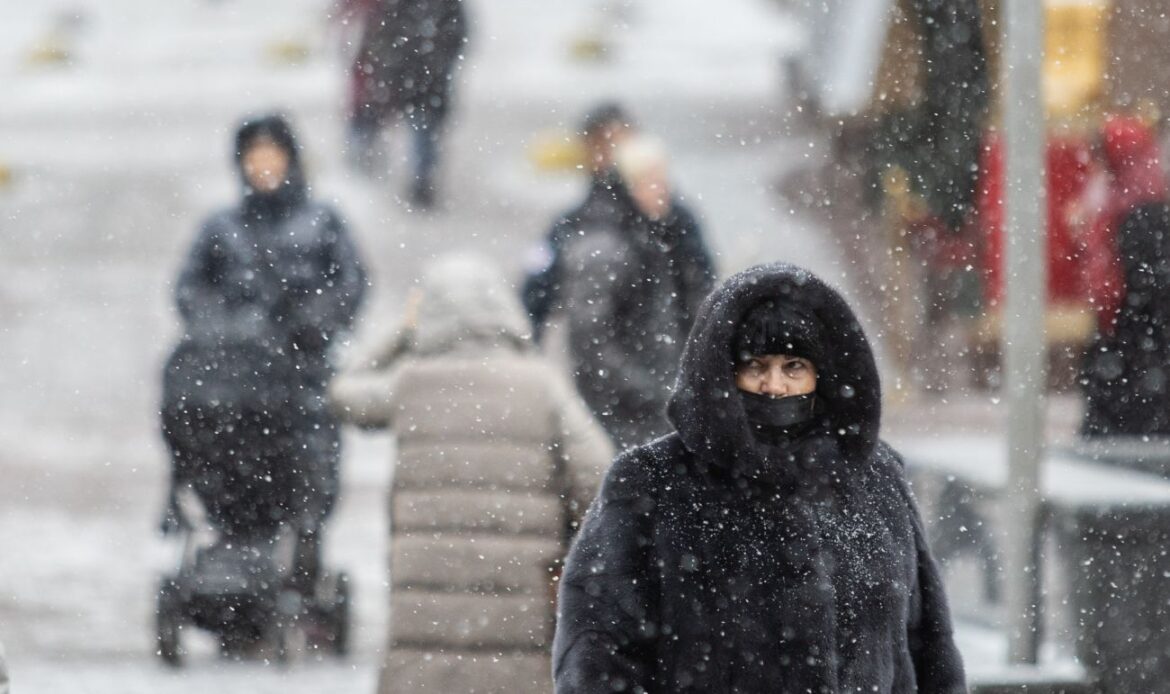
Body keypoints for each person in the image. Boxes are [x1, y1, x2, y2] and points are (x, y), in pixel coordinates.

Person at [553, 263, 966, 693]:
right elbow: (598, 650)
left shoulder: (876, 477)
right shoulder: (654, 483)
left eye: (793, 366)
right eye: (755, 366)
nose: (775, 385)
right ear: (724, 370)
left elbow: (928, 646)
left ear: (821, 374)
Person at [329, 254, 613, 693]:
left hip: (424, 622)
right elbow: (600, 483)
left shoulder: (410, 383)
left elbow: (344, 392)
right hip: (519, 611)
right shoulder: (541, 384)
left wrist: (403, 332)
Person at [161, 113, 367, 594]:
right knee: (212, 438)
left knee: (309, 454)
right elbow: (189, 289)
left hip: (301, 372)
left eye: (272, 155)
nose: (264, 166)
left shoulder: (323, 222)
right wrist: (228, 326)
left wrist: (313, 320)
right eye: (254, 157)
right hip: (235, 373)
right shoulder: (222, 227)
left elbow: (350, 283)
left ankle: (304, 542)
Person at [560, 135, 716, 449]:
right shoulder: (605, 246)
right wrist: (646, 388)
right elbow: (591, 340)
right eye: (651, 181)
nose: (663, 191)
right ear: (626, 184)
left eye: (663, 179)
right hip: (620, 409)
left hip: (653, 402)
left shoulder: (658, 230)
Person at [521, 102, 637, 339]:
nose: (610, 154)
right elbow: (535, 292)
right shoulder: (572, 220)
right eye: (600, 144)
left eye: (618, 143)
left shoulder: (666, 216)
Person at [343, 0, 468, 208]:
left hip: (428, 83)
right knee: (422, 131)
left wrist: (437, 61)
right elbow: (385, 36)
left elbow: (458, 34)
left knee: (426, 132)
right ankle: (418, 178)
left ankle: (422, 178)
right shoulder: (399, 6)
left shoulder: (444, 5)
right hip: (410, 82)